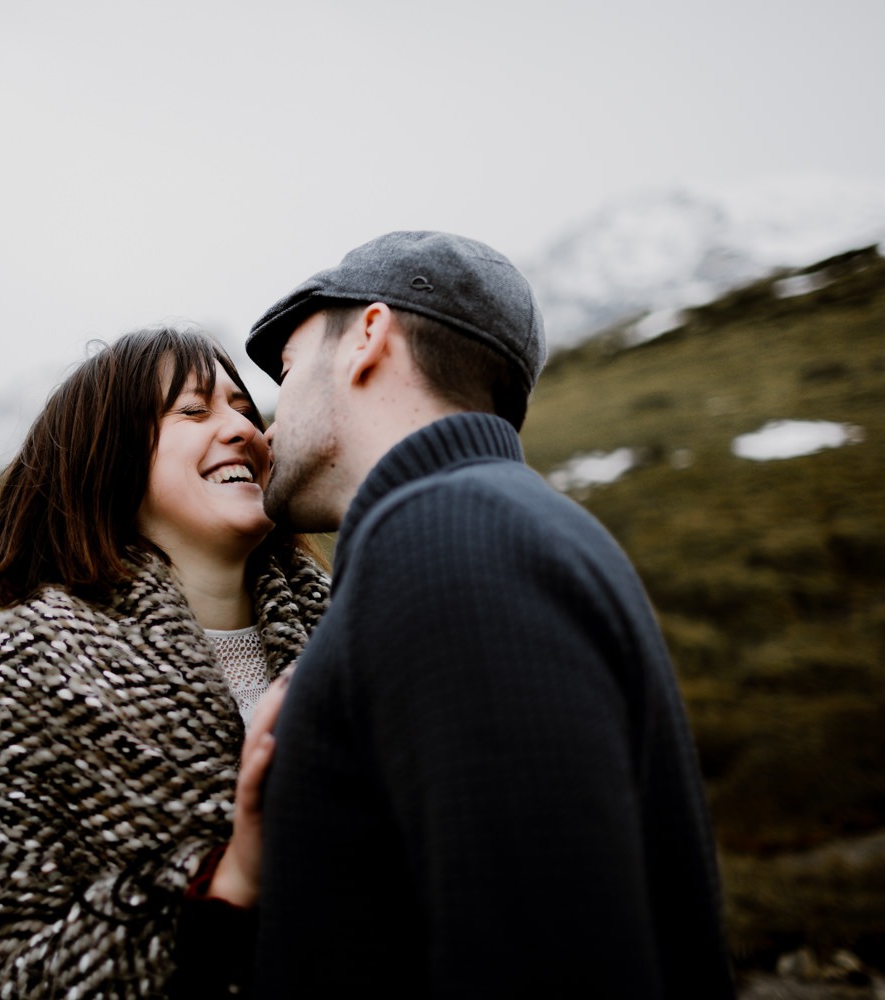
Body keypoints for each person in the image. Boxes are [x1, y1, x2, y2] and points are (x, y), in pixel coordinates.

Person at [243, 231, 735, 997]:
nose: (265, 424)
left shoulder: (451, 542)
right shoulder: (486, 527)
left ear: (368, 336)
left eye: (286, 369)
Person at [0, 326, 330, 999]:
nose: (243, 429)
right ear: (110, 458)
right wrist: (228, 883)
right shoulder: (35, 665)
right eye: (194, 409)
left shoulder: (353, 627)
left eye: (245, 407)